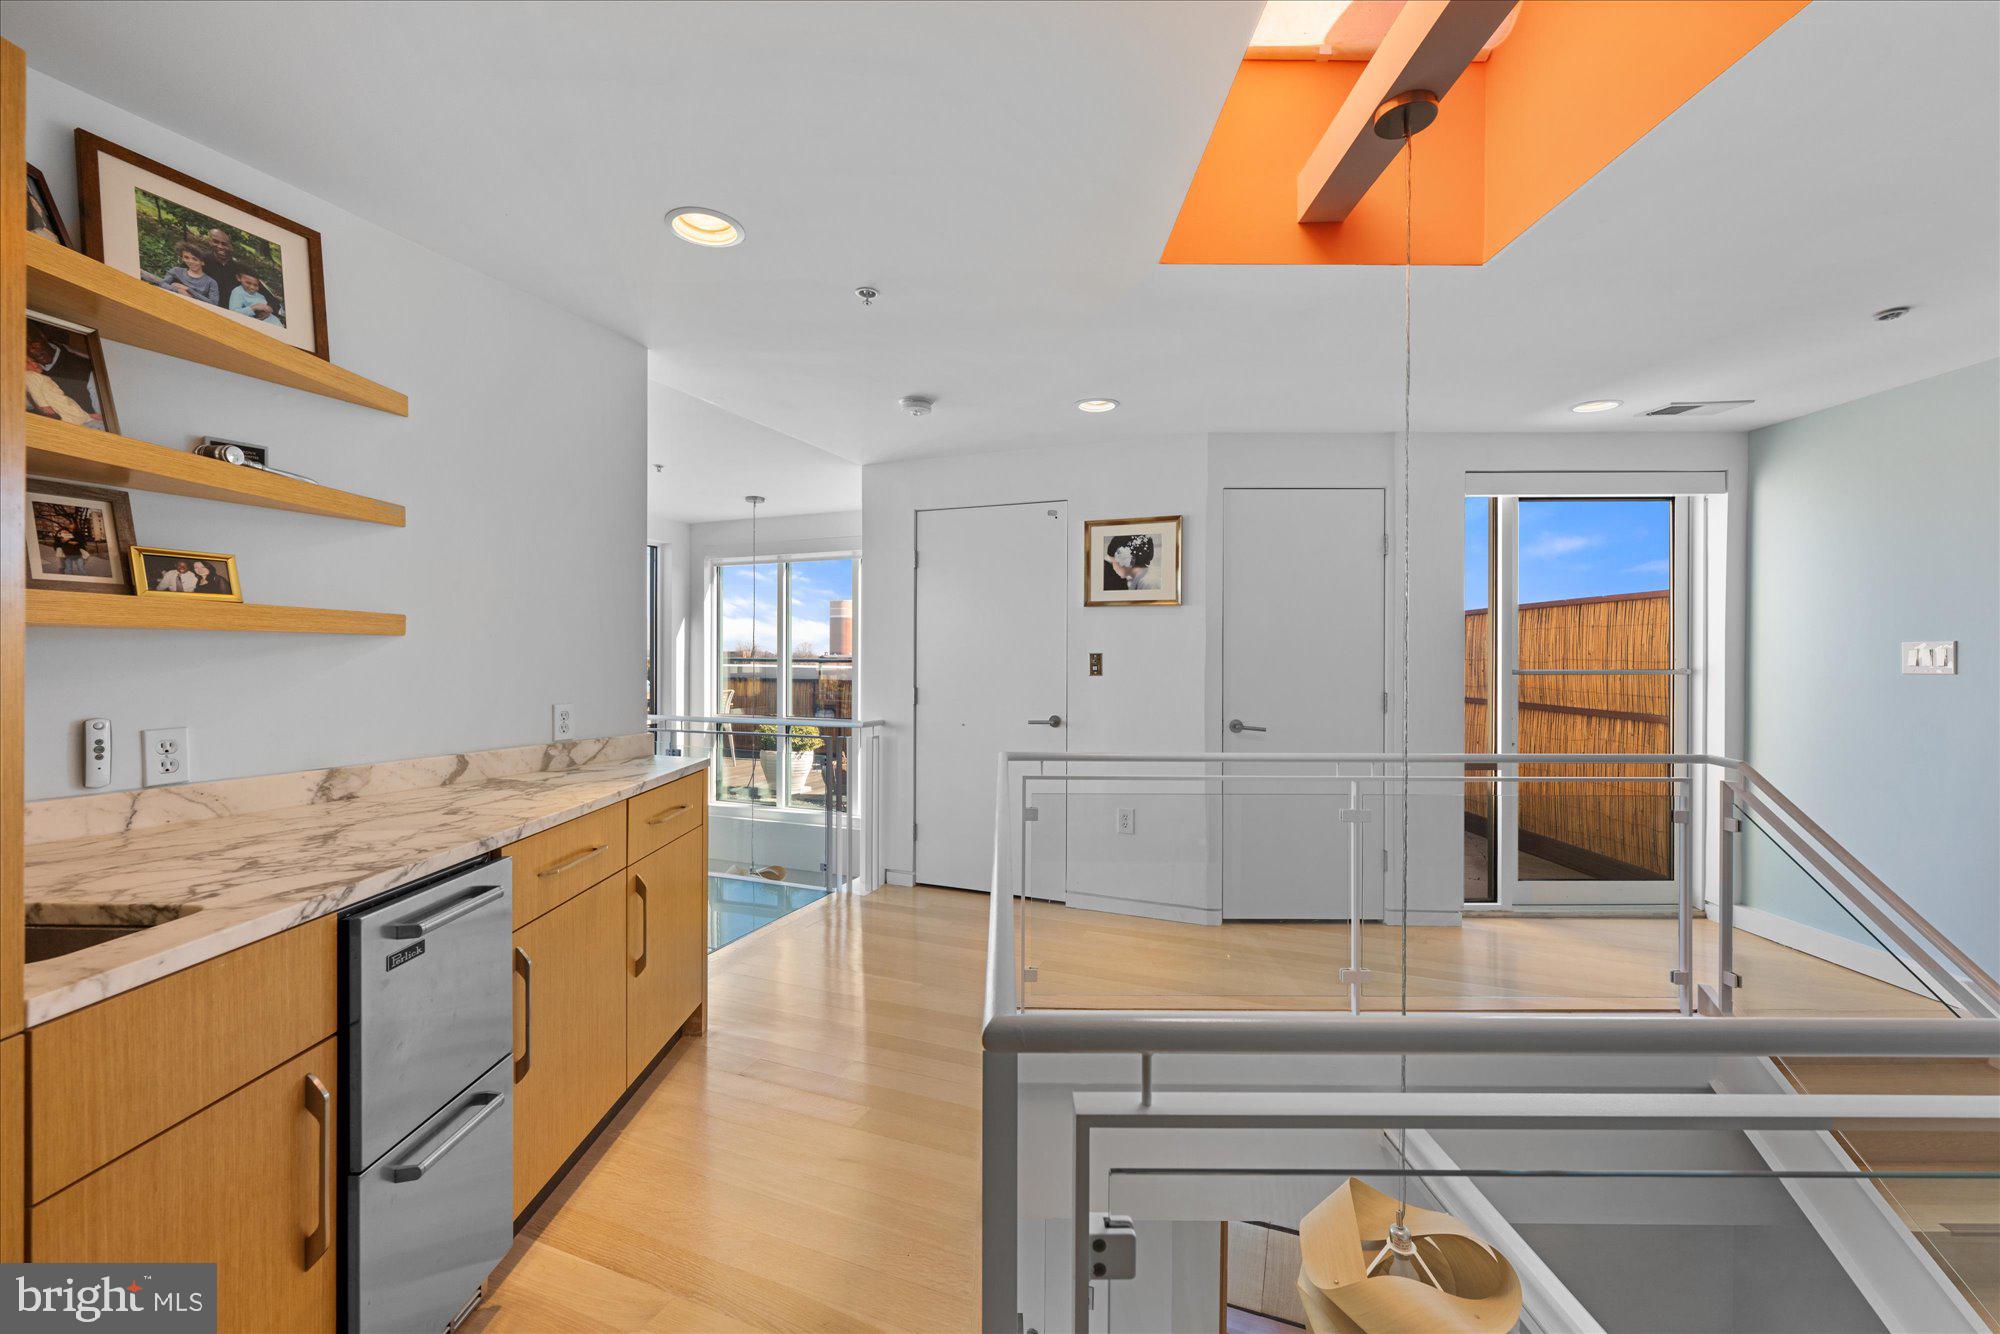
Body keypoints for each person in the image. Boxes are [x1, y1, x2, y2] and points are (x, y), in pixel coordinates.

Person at [25, 343, 99, 427]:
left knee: (70, 406)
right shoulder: (29, 375)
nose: (35, 365)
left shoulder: (38, 375)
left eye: (34, 361)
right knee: (68, 410)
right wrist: (45, 407)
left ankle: (86, 417)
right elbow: (36, 393)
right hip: (55, 405)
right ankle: (86, 418)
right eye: (28, 362)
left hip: (60, 400)